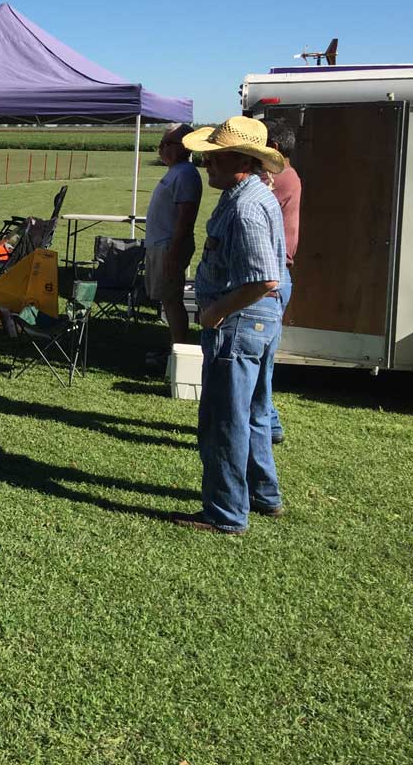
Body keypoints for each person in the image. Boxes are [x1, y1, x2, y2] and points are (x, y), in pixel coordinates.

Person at [174, 117, 288, 534]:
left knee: (225, 419)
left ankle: (225, 513)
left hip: (239, 324)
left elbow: (263, 278)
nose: (205, 163)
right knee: (254, 412)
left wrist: (216, 312)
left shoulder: (244, 206)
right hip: (257, 323)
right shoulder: (253, 194)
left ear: (239, 159)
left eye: (213, 156)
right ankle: (263, 495)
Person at [143, 125, 202, 364]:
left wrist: (174, 253)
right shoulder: (176, 171)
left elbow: (185, 218)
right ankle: (174, 349)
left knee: (172, 301)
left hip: (169, 247)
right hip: (162, 245)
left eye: (168, 143)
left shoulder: (186, 174)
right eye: (162, 142)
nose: (162, 148)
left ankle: (179, 353)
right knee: (168, 301)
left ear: (184, 146)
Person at [263, 120, 302, 445]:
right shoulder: (285, 178)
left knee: (261, 367)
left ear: (273, 149)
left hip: (273, 277)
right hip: (278, 274)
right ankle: (270, 424)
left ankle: (267, 426)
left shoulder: (281, 181)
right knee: (262, 363)